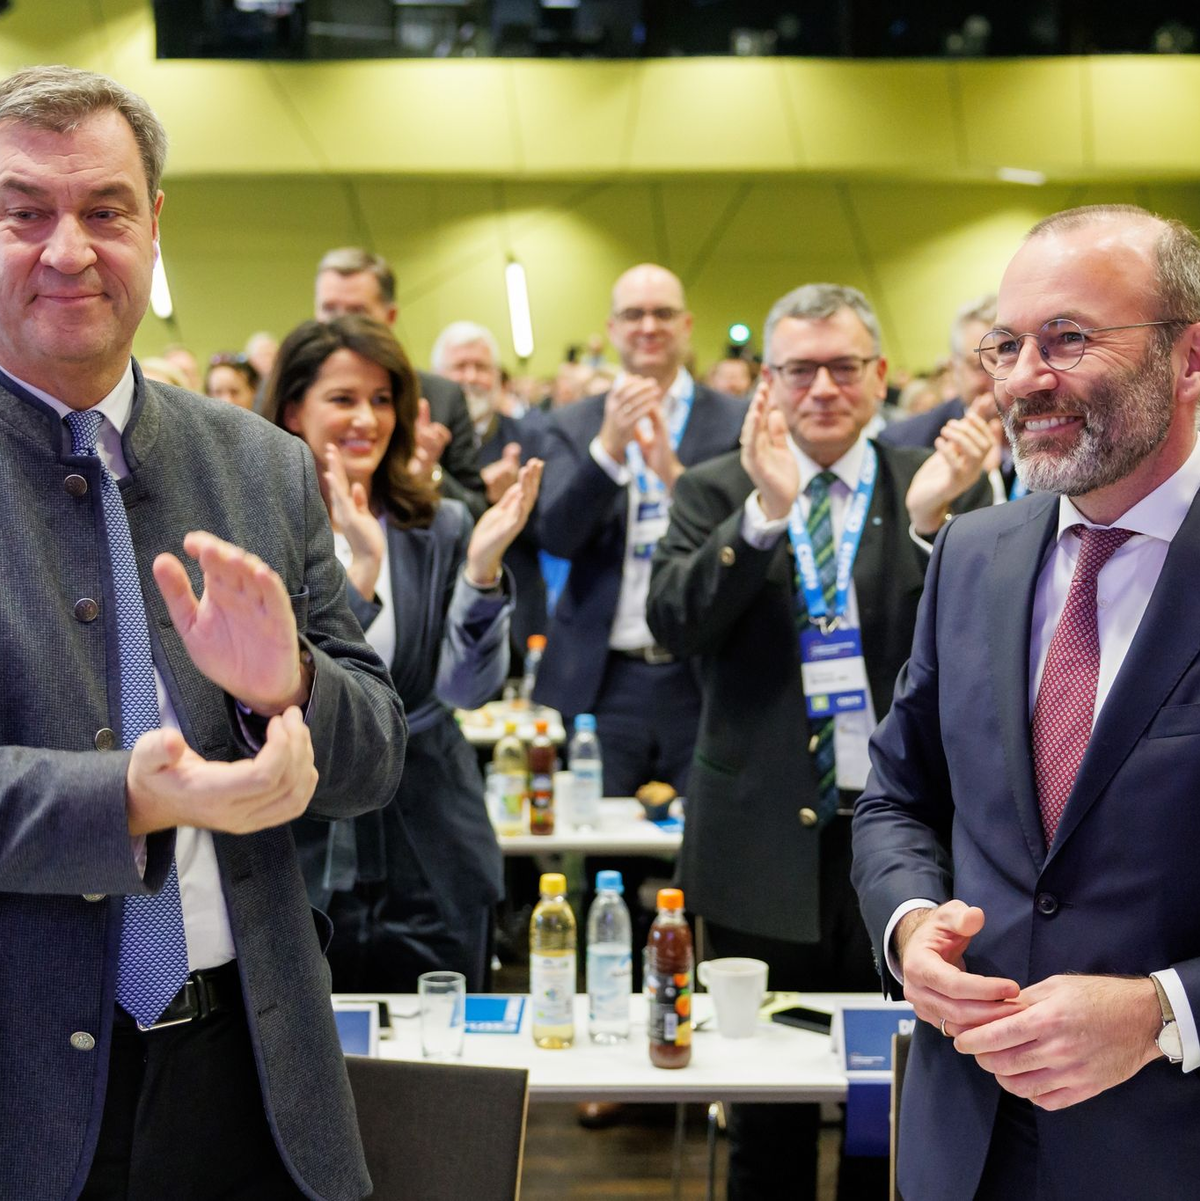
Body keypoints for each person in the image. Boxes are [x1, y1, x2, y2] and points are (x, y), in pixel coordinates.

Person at [0, 65, 407, 1201]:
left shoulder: (260, 464)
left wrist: (288, 688)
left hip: (253, 1078)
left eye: (106, 210)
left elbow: (376, 754)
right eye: (23, 211)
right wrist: (136, 796)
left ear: (156, 223)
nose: (69, 249)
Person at [852, 203, 1200, 1200]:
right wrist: (913, 927)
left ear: (1189, 358)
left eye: (1068, 338)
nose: (1022, 379)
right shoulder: (974, 552)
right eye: (1006, 345)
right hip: (963, 1142)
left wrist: (1162, 1009)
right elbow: (896, 799)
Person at [647, 282, 992, 1201]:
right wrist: (763, 514)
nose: (823, 388)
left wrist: (927, 530)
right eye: (800, 370)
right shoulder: (717, 485)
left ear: (881, 374)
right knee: (766, 1111)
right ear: (769, 383)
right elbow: (673, 625)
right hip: (758, 835)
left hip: (904, 840)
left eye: (845, 366)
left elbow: (973, 656)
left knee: (890, 1100)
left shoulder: (938, 478)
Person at [266, 316, 542, 992]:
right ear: (294, 408)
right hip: (302, 843)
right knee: (316, 1072)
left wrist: (479, 574)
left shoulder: (436, 521)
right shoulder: (254, 526)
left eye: (383, 399)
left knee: (447, 1072)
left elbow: (469, 690)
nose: (367, 418)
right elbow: (275, 687)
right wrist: (358, 579)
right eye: (343, 398)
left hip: (434, 835)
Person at [535, 263, 746, 797]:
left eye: (663, 314)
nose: (648, 326)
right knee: (600, 849)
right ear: (611, 329)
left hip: (703, 673)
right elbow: (558, 535)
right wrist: (606, 452)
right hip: (604, 676)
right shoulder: (573, 423)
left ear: (686, 325)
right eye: (633, 314)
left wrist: (674, 477)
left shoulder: (733, 421)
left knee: (704, 852)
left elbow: (749, 540)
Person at [313, 246, 487, 517]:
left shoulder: (441, 396)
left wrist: (430, 475)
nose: (342, 323)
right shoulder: (292, 388)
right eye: (329, 309)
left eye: (357, 311)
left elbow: (476, 508)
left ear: (390, 316)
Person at [432, 319, 548, 671]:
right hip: (437, 610)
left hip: (516, 610)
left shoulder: (531, 437)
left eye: (481, 367)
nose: (470, 377)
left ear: (498, 377)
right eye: (459, 367)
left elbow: (554, 530)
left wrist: (515, 501)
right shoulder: (423, 440)